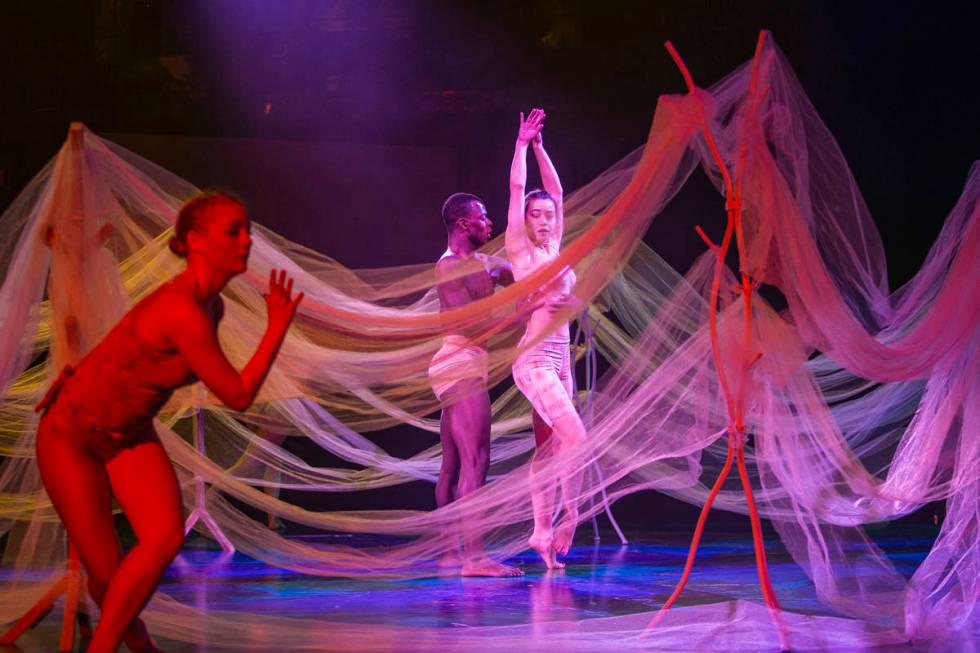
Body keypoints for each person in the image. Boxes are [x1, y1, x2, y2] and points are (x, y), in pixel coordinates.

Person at [35, 192, 303, 652]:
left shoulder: (210, 307)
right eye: (233, 231)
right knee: (108, 575)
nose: (247, 241)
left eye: (248, 230)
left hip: (128, 434)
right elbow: (237, 395)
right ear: (196, 242)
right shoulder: (181, 309)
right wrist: (276, 326)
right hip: (72, 434)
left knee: (161, 539)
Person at [505, 109, 587, 569]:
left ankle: (539, 532)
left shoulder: (555, 249)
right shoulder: (522, 251)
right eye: (536, 215)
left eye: (547, 216)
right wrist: (520, 145)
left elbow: (554, 190)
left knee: (551, 448)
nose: (542, 219)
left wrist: (540, 147)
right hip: (534, 361)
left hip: (561, 362)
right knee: (575, 437)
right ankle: (568, 516)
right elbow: (521, 190)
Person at [429, 192, 523, 577]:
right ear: (464, 224)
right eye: (484, 218)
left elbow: (520, 279)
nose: (490, 224)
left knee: (452, 462)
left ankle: (451, 552)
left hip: (469, 362)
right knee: (476, 459)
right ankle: (475, 557)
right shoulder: (448, 267)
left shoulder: (487, 264)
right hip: (459, 361)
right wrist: (521, 316)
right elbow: (470, 325)